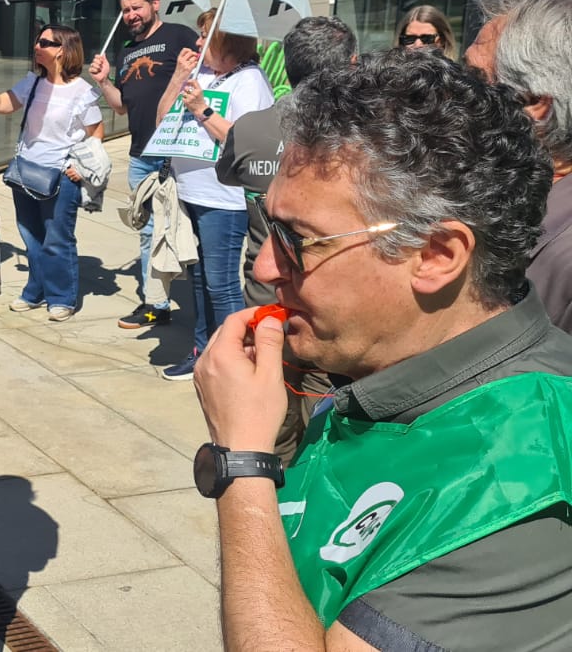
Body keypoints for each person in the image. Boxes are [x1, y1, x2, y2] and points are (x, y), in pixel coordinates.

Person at [192, 48, 572, 651]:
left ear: (436, 255)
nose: (266, 265)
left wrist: (242, 461)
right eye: (269, 229)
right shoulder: (386, 368)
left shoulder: (525, 477)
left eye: (298, 240)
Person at [215, 16, 356, 460]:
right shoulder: (361, 140)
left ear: (288, 66)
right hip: (334, 309)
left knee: (269, 425)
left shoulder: (251, 128)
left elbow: (228, 174)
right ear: (350, 65)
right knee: (330, 427)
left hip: (266, 302)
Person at [154, 10, 274, 380]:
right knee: (202, 280)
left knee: (221, 286)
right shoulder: (202, 74)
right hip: (192, 192)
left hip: (223, 199)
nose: (198, 42)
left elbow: (244, 141)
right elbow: (161, 121)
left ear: (228, 40)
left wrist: (202, 110)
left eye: (206, 35)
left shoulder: (249, 81)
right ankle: (204, 351)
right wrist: (178, 77)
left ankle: (235, 363)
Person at [88, 0, 201, 329]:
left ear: (155, 4)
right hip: (141, 155)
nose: (131, 15)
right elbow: (122, 107)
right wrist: (105, 81)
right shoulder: (124, 51)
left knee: (192, 228)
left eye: (137, 7)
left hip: (179, 153)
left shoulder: (180, 36)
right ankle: (156, 304)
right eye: (125, 10)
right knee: (148, 231)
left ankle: (206, 305)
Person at [0, 25, 101, 321]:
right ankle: (35, 291)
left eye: (45, 42)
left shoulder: (82, 91)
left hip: (61, 175)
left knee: (57, 239)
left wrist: (80, 167)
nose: (37, 45)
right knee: (31, 237)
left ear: (63, 50)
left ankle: (62, 297)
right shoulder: (32, 82)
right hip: (27, 172)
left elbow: (96, 132)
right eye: (37, 40)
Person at [481, 0, 572, 333]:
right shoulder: (501, 198)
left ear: (534, 105)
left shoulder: (564, 263)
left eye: (474, 80)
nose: (452, 95)